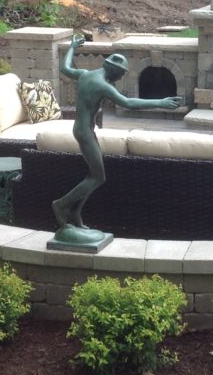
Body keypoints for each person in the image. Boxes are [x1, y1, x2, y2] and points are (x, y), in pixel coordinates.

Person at [52, 33, 182, 231]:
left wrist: (72, 47)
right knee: (98, 177)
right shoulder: (103, 85)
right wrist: (160, 102)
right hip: (84, 133)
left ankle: (75, 212)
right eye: (120, 75)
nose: (120, 79)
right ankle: (61, 205)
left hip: (83, 130)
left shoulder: (86, 74)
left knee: (94, 174)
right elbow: (128, 103)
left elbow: (65, 68)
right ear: (113, 70)